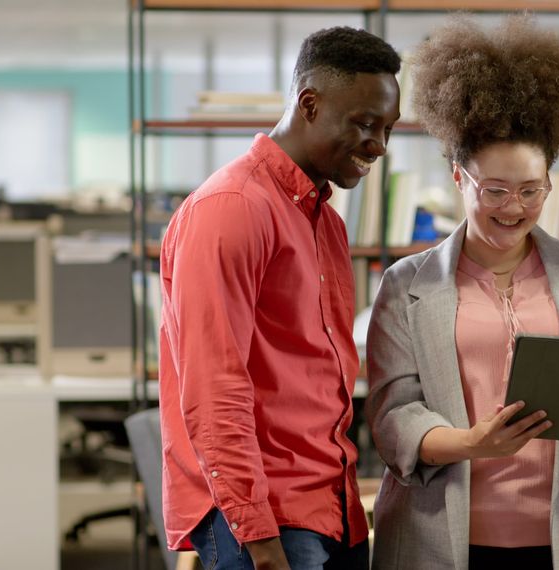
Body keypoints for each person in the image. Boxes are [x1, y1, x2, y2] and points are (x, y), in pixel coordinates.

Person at [364, 15, 559, 570]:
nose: (513, 208)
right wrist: (472, 443)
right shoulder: (405, 284)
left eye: (531, 190)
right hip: (439, 540)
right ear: (457, 176)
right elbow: (392, 413)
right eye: (494, 190)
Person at [157, 27, 400, 570]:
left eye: (387, 129)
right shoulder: (232, 208)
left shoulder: (326, 223)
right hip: (268, 522)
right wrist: (260, 542)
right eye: (365, 123)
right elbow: (214, 387)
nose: (379, 145)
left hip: (331, 508)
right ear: (309, 104)